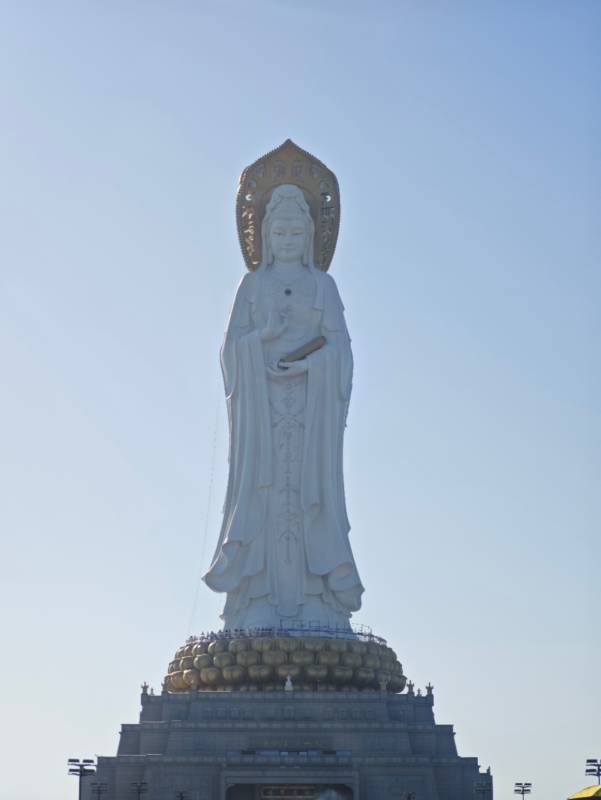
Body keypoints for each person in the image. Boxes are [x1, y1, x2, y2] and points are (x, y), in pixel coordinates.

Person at [203, 184, 363, 631]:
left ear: (309, 237)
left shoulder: (323, 286)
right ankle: (257, 594)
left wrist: (312, 365)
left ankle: (316, 595)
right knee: (264, 492)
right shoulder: (253, 285)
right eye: (280, 233)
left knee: (310, 492)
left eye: (296, 234)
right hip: (263, 412)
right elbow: (230, 351)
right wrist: (263, 339)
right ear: (265, 237)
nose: (288, 241)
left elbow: (342, 351)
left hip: (311, 411)